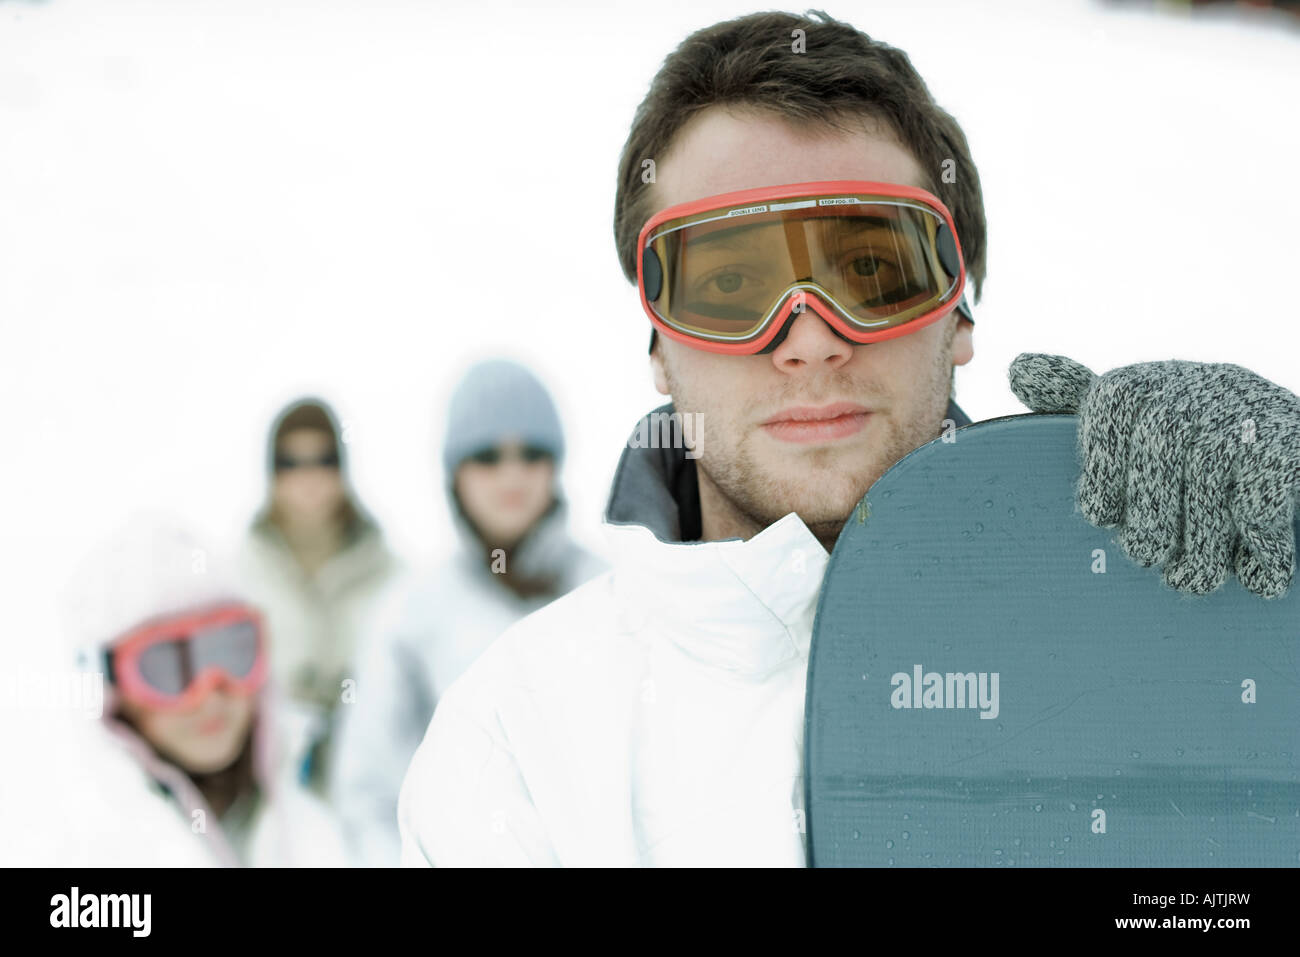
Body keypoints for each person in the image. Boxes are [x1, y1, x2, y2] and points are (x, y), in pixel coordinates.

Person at [397, 11, 1300, 866]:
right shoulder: (517, 737)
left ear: (959, 318)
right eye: (730, 281)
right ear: (660, 348)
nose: (810, 336)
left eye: (873, 269)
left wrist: (1262, 598)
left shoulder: (1146, 620)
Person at [331, 359, 605, 867]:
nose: (512, 474)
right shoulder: (408, 616)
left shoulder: (612, 595)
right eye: (487, 455)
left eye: (531, 452)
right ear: (455, 473)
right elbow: (367, 796)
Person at [42, 513, 348, 867]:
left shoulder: (326, 807)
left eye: (231, 651)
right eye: (164, 666)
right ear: (110, 691)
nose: (209, 693)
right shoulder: (74, 848)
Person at [237, 397, 401, 795]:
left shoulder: (392, 576)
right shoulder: (236, 580)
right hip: (267, 793)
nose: (308, 476)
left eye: (324, 460)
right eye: (290, 462)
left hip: (377, 791)